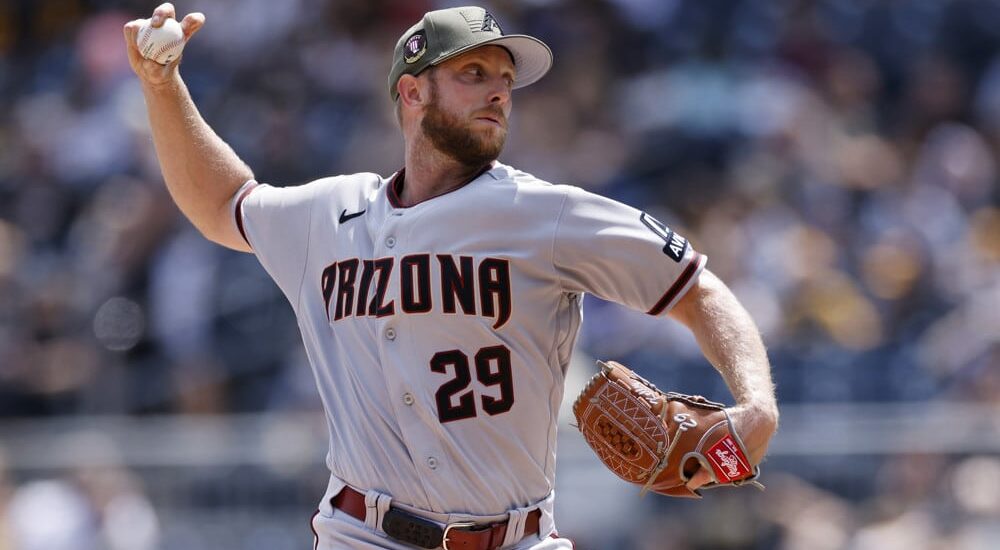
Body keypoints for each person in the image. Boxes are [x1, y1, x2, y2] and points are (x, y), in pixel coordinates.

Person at [123, 4, 778, 549]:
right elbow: (221, 205)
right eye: (473, 72)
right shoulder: (330, 214)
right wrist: (162, 89)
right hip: (362, 533)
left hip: (515, 537)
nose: (499, 88)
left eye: (504, 77)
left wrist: (756, 401)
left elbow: (696, 286)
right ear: (413, 92)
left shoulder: (544, 213)